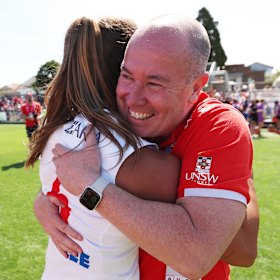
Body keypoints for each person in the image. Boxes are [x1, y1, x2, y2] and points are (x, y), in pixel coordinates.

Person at [34, 14, 259, 279]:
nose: (134, 99)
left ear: (196, 87)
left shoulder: (216, 126)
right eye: (126, 76)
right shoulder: (112, 131)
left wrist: (91, 189)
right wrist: (44, 199)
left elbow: (231, 252)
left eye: (154, 83)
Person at [25, 16, 180, 279]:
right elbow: (205, 204)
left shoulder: (55, 129)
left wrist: (40, 201)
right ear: (125, 70)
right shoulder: (122, 150)